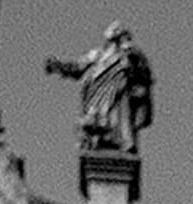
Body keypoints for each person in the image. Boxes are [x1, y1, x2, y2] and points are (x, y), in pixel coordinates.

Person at [45, 24, 153, 153]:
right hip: (96, 96)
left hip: (118, 96)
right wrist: (59, 66)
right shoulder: (98, 54)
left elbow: (142, 74)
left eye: (118, 33)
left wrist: (133, 58)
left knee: (116, 122)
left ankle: (117, 141)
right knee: (97, 122)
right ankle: (100, 139)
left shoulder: (129, 55)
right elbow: (78, 67)